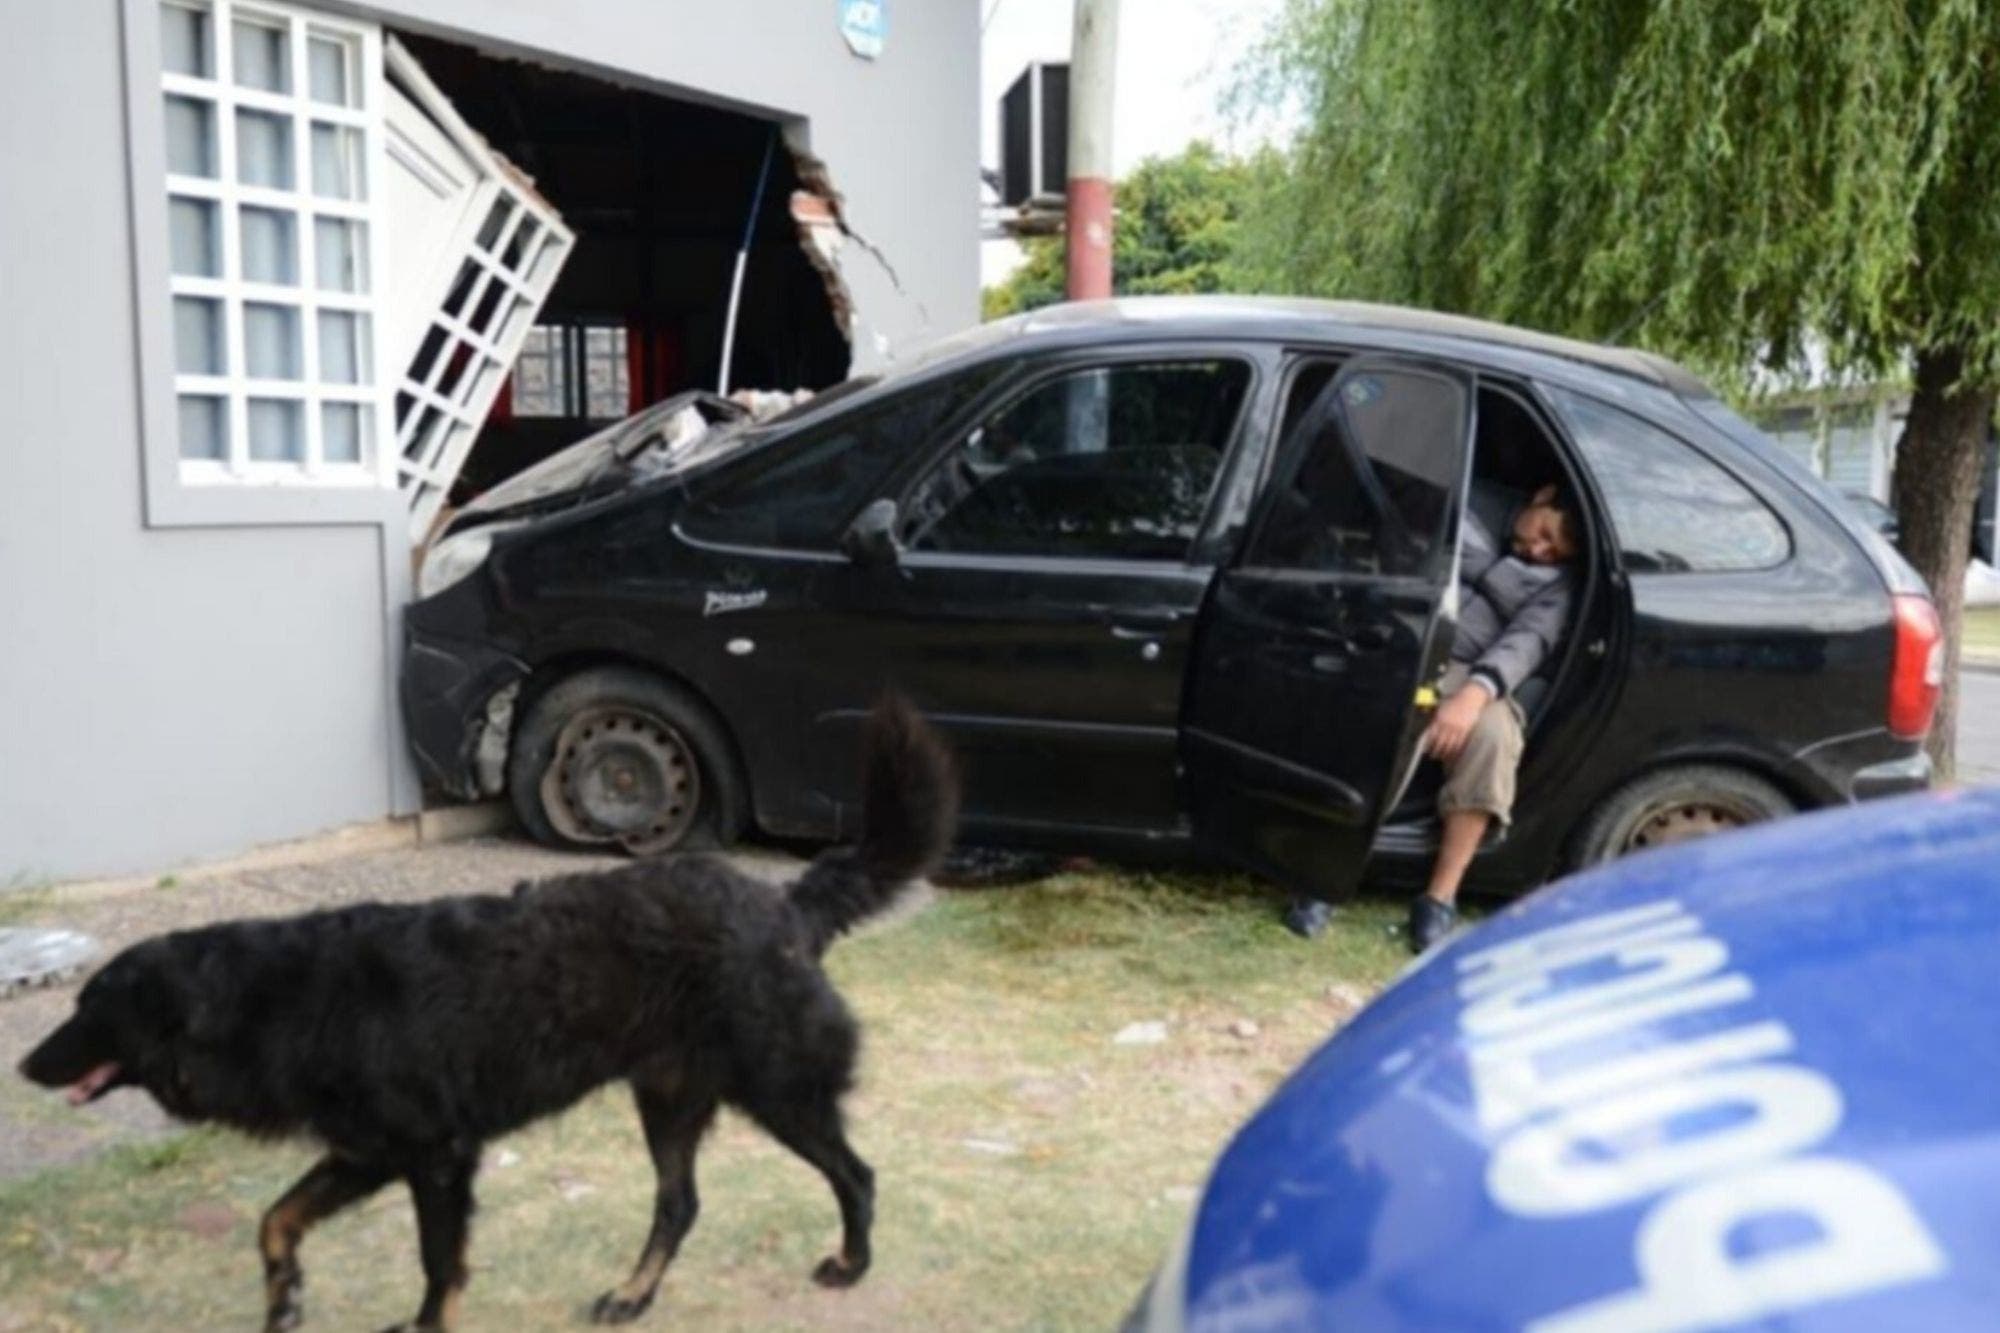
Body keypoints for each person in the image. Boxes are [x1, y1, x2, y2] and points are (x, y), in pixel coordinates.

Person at [1284, 482, 1579, 952]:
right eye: (1543, 533)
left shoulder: (1558, 588)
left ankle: (1439, 898)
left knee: (1495, 736)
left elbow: (1526, 642)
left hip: (1475, 672)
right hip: (1404, 643)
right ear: (1540, 496)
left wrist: (1474, 695)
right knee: (1388, 713)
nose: (1538, 550)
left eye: (1553, 551)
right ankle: (1329, 876)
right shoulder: (1468, 504)